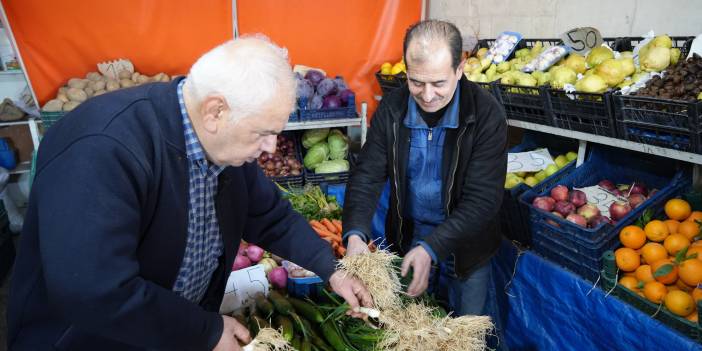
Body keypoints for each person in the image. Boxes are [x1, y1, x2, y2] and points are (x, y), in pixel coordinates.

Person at [7, 36, 371, 351]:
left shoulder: (224, 144)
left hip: (162, 329)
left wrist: (331, 270)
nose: (271, 147)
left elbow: (270, 215)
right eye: (262, 132)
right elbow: (93, 290)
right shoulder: (104, 150)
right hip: (88, 340)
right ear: (215, 111)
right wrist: (205, 332)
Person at [343, 20, 507, 317]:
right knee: (413, 327)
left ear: (459, 69)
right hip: (408, 237)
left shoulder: (485, 115)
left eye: (439, 83)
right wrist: (355, 233)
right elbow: (367, 173)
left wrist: (432, 248)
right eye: (416, 82)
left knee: (466, 331)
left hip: (467, 247)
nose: (427, 95)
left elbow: (483, 200)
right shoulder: (394, 107)